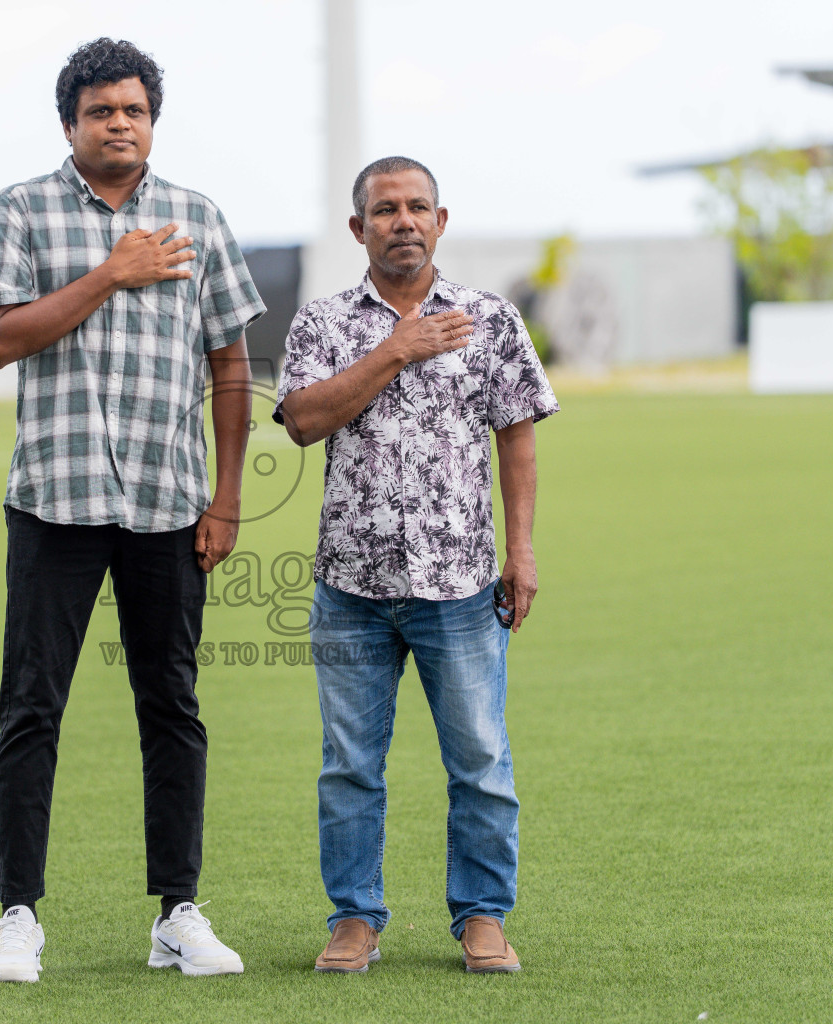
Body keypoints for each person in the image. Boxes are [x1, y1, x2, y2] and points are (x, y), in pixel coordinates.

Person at [0, 38, 265, 983]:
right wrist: (109, 273)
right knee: (32, 707)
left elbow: (230, 365)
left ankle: (178, 913)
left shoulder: (196, 218)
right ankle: (18, 915)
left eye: (133, 110)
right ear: (70, 124)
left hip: (168, 502)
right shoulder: (23, 209)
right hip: (54, 499)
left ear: (152, 122)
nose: (119, 124)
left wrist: (226, 498)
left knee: (171, 705)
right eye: (100, 111)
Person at [274, 156, 558, 974]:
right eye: (386, 209)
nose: (404, 220)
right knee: (349, 768)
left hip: (460, 584)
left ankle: (483, 916)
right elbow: (302, 421)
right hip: (351, 586)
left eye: (418, 207)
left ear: (440, 221)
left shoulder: (489, 318)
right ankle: (354, 919)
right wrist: (396, 350)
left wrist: (522, 551)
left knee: (480, 760)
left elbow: (517, 438)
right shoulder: (322, 324)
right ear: (357, 227)